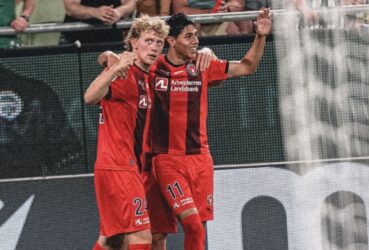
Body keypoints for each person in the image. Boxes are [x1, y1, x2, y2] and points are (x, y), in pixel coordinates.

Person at [101, 10, 271, 250]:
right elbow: (115, 59)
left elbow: (247, 66)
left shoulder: (202, 65)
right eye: (188, 36)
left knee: (194, 227)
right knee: (173, 229)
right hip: (165, 160)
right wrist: (108, 56)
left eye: (196, 36)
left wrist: (260, 36)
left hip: (200, 160)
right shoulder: (153, 67)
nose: (195, 41)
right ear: (171, 41)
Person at [84, 15, 170, 250]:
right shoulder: (123, 73)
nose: (153, 47)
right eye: (148, 41)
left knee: (112, 240)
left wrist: (108, 57)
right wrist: (115, 66)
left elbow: (106, 56)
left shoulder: (146, 75)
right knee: (142, 237)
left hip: (125, 167)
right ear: (133, 43)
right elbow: (90, 97)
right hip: (118, 167)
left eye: (158, 43)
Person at [0, 65, 82, 178]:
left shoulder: (37, 93)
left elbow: (66, 156)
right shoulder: (37, 91)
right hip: (32, 188)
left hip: (30, 189)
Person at [62, 0, 137, 44]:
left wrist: (119, 12)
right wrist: (94, 12)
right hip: (76, 39)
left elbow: (130, 3)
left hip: (111, 38)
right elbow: (70, 8)